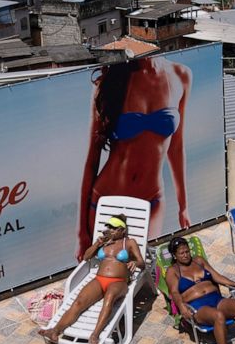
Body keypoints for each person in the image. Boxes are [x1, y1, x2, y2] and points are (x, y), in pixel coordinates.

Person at [78, 56, 191, 260]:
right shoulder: (112, 81)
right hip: (108, 199)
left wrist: (183, 206)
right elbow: (92, 160)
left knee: (143, 264)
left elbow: (176, 147)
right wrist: (81, 233)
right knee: (109, 267)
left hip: (152, 199)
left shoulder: (180, 75)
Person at [39, 214, 145, 344]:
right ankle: (54, 331)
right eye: (109, 227)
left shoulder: (129, 243)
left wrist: (134, 262)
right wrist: (97, 244)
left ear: (122, 230)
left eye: (114, 228)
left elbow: (142, 263)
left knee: (109, 299)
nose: (110, 230)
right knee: (78, 302)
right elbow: (86, 257)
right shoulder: (104, 242)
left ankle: (95, 335)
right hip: (99, 279)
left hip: (118, 281)